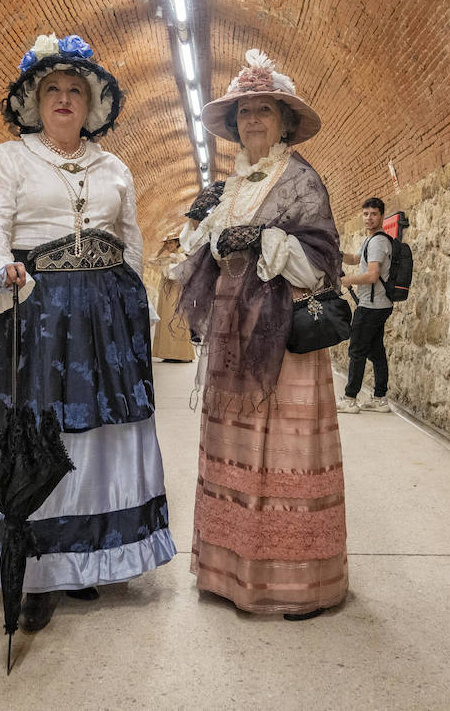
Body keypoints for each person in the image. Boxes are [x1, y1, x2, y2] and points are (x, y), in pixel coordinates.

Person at [0, 33, 175, 633]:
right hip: (36, 309)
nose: (64, 99)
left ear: (92, 104)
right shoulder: (9, 159)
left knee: (102, 428)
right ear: (35, 101)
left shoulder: (115, 167)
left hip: (104, 311)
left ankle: (84, 560)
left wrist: (138, 307)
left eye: (75, 91)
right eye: (53, 90)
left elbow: (132, 238)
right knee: (41, 430)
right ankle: (34, 569)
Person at [171, 48, 347, 621]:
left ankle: (288, 582)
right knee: (235, 445)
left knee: (282, 454)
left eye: (263, 110)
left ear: (284, 120)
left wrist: (265, 240)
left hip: (281, 341)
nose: (252, 120)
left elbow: (318, 265)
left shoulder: (300, 181)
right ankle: (229, 571)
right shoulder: (226, 188)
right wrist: (204, 231)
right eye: (244, 111)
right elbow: (191, 258)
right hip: (230, 333)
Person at [338, 197, 394, 414]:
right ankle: (380, 398)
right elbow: (353, 258)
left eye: (373, 214)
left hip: (371, 306)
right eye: (365, 214)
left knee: (357, 350)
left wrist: (348, 280)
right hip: (378, 304)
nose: (369, 218)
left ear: (381, 216)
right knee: (376, 351)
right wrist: (336, 253)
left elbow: (372, 275)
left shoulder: (379, 242)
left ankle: (350, 398)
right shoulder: (370, 240)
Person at [151, 237, 195, 363]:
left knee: (175, 318)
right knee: (166, 318)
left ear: (176, 243)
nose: (168, 245)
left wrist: (172, 258)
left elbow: (184, 272)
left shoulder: (180, 256)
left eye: (171, 243)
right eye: (167, 243)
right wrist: (161, 250)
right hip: (166, 292)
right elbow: (152, 261)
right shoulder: (167, 257)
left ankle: (180, 354)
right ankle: (168, 352)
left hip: (175, 291)